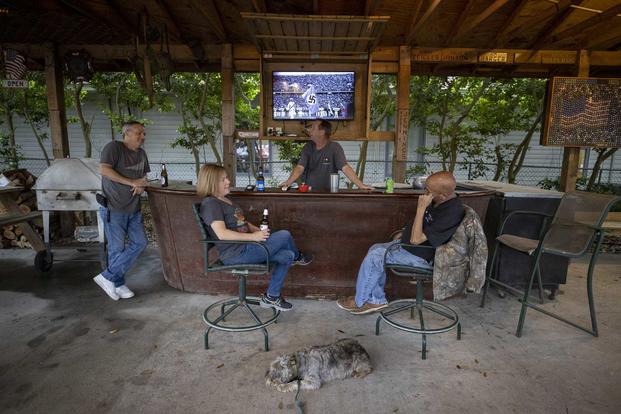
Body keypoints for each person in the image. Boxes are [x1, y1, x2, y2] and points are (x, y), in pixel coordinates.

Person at [336, 171, 465, 314]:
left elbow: (416, 240)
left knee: (376, 255)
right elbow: (423, 225)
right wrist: (404, 232)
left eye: (428, 190)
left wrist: (421, 207)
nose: (424, 192)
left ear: (443, 195)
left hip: (422, 258)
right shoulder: (439, 201)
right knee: (375, 248)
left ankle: (360, 301)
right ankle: (375, 300)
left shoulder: (451, 213)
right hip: (410, 248)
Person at [197, 164, 313, 311]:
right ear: (211, 182)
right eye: (223, 179)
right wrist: (254, 237)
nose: (228, 181)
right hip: (236, 254)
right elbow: (222, 234)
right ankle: (298, 257)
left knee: (286, 255)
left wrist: (254, 229)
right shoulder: (211, 204)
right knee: (284, 235)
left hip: (247, 247)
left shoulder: (225, 200)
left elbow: (240, 221)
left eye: (226, 177)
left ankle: (272, 296)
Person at [93, 121, 150, 301]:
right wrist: (132, 182)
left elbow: (143, 177)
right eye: (139, 133)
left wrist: (141, 185)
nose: (142, 137)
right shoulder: (114, 148)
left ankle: (107, 277)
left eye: (143, 133)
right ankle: (117, 284)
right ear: (127, 133)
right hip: (114, 207)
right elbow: (104, 169)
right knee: (117, 249)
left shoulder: (142, 154)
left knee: (140, 243)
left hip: (134, 208)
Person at [279, 120, 373, 192]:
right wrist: (288, 182)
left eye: (313, 128)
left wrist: (360, 185)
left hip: (329, 195)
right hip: (309, 194)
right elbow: (300, 167)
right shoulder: (308, 147)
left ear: (322, 132)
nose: (309, 130)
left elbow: (345, 167)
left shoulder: (335, 147)